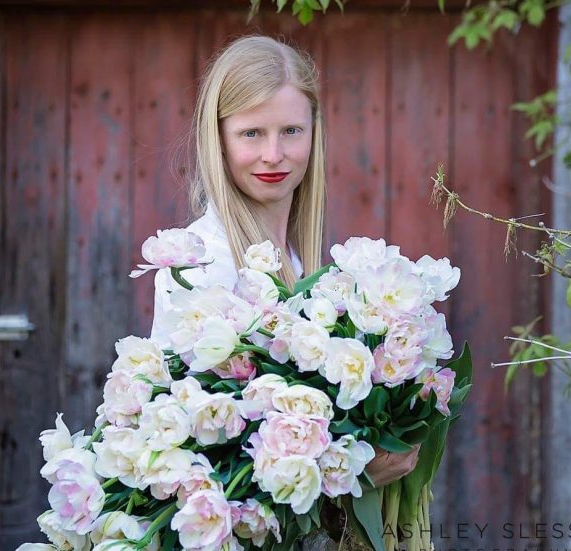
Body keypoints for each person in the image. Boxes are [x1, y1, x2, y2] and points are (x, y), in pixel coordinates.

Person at [148, 35, 418, 544]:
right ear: (219, 139)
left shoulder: (296, 261)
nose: (274, 154)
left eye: (291, 130)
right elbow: (199, 458)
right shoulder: (201, 264)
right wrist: (351, 475)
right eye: (251, 133)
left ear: (314, 132)